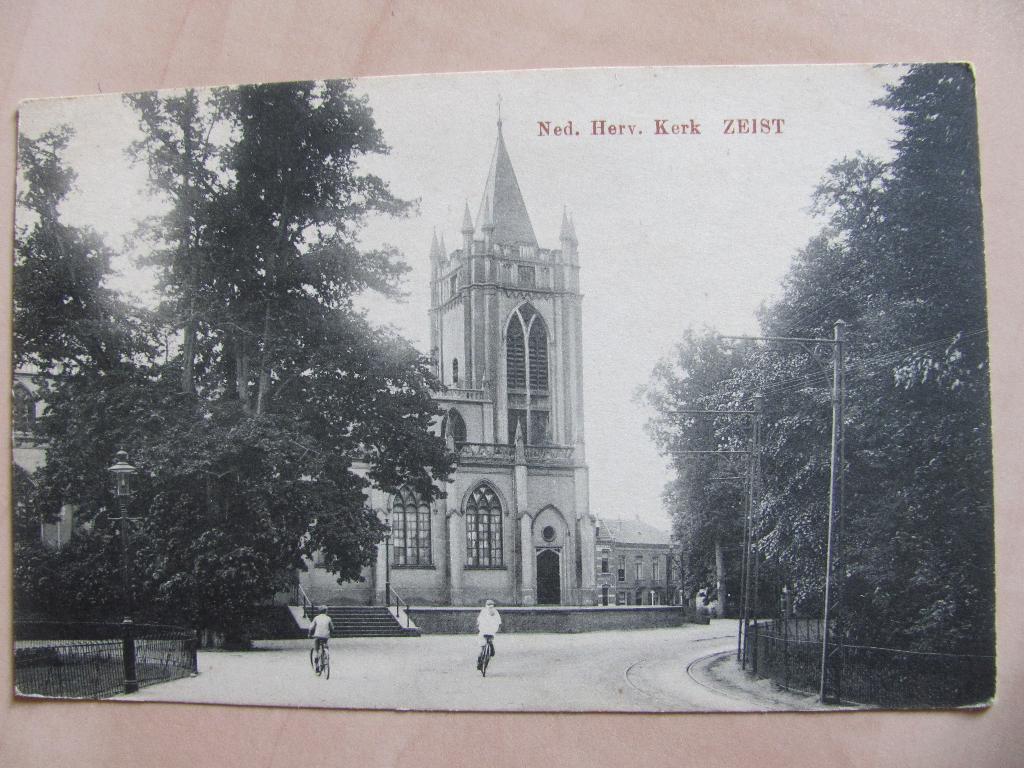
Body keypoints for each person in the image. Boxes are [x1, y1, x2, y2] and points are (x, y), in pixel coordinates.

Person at [475, 599, 501, 670]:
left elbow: (479, 621)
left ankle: (479, 661)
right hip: (491, 631)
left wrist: (479, 626)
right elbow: (498, 622)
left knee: (483, 646)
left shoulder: (483, 611)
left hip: (483, 631)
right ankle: (491, 650)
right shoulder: (495, 612)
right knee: (490, 642)